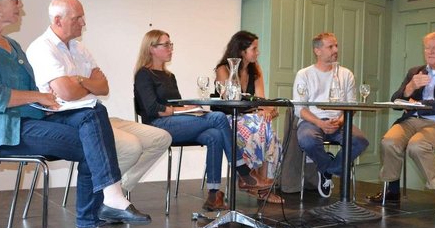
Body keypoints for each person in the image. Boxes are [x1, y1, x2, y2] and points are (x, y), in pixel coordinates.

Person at [0, 0, 151, 228]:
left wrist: (51, 98)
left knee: (93, 112)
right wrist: (41, 96)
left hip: (31, 120)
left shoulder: (12, 45)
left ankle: (107, 201)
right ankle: (89, 223)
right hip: (2, 130)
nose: (21, 5)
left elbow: (45, 92)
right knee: (89, 146)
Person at [26, 0, 171, 192]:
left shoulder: (79, 48)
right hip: (70, 119)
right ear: (58, 20)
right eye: (77, 18)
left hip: (96, 113)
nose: (83, 23)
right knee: (131, 147)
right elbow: (66, 92)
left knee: (161, 138)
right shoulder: (42, 48)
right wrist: (87, 83)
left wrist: (79, 80)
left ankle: (114, 193)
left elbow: (103, 87)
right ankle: (108, 197)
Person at [133, 29, 273, 211]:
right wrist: (179, 110)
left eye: (171, 44)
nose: (170, 48)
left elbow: (177, 104)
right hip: (157, 126)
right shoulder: (144, 74)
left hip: (175, 123)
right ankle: (244, 173)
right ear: (151, 48)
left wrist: (190, 109)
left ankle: (214, 194)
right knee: (218, 117)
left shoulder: (169, 77)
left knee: (214, 134)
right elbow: (153, 109)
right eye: (166, 44)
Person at [366, 31, 435, 215]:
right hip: (411, 120)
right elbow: (396, 101)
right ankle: (392, 190)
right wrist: (410, 87)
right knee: (389, 141)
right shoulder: (415, 72)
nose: (429, 51)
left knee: (417, 146)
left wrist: (419, 105)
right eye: (427, 47)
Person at [292, 32, 369, 198]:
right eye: (330, 46)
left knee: (360, 141)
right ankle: (330, 166)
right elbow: (300, 108)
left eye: (336, 46)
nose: (335, 50)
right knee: (307, 139)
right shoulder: (304, 74)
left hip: (339, 121)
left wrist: (340, 121)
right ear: (317, 51)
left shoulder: (346, 74)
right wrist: (320, 123)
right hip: (312, 120)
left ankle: (327, 170)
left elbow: (352, 105)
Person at [214, 30, 284, 204]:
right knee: (261, 126)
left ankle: (255, 183)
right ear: (241, 50)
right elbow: (231, 101)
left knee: (267, 130)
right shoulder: (223, 69)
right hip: (229, 120)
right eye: (254, 49)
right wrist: (260, 110)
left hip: (251, 119)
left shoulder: (255, 69)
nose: (258, 52)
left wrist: (267, 110)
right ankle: (251, 180)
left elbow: (261, 99)